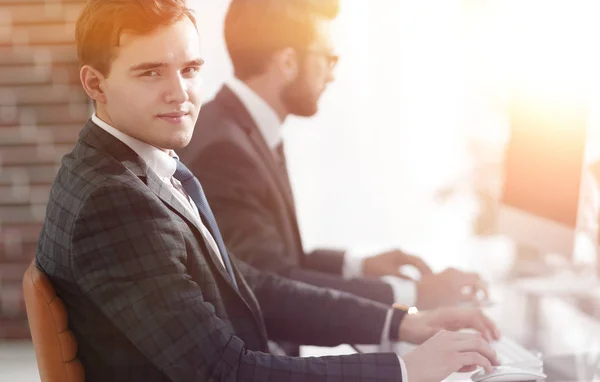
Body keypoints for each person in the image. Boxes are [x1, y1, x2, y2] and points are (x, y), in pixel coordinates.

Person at [35, 1, 501, 381]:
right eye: (151, 73)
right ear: (95, 84)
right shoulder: (114, 201)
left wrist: (403, 322)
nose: (180, 93)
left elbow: (249, 286)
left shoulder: (139, 166)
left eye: (191, 69)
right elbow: (224, 372)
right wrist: (402, 369)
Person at [179, 0, 487, 310]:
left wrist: (359, 265)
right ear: (287, 63)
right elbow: (272, 286)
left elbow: (272, 259)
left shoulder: (237, 128)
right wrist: (413, 296)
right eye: (328, 58)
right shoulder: (225, 151)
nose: (332, 75)